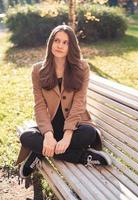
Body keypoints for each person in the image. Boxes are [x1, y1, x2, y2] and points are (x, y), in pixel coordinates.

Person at [16, 25, 112, 179]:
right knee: (26, 136)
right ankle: (84, 156)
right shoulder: (38, 70)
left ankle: (39, 153)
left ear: (71, 46)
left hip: (76, 127)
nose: (60, 45)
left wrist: (67, 136)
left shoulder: (82, 68)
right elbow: (39, 106)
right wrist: (47, 135)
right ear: (50, 43)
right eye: (56, 40)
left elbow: (79, 103)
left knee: (89, 134)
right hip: (53, 127)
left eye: (65, 42)